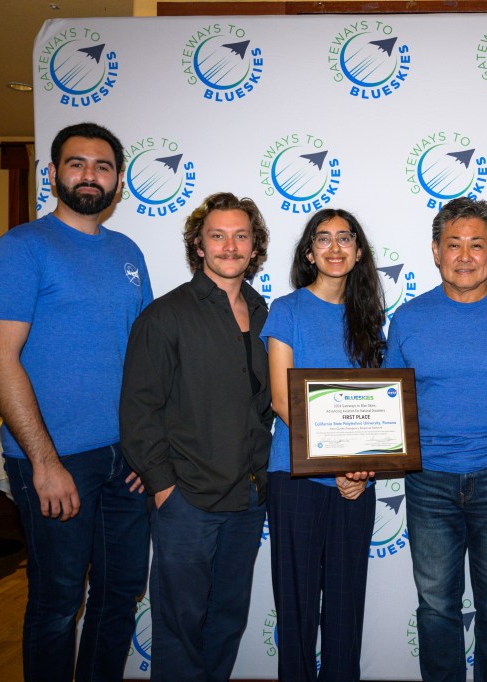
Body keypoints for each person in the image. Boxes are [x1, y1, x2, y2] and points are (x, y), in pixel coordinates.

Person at [0, 122, 151, 681]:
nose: (90, 175)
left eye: (103, 166)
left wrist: (146, 452)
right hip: (54, 460)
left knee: (118, 596)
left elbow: (143, 361)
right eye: (77, 164)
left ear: (118, 182)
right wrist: (45, 463)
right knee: (56, 606)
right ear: (53, 173)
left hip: (124, 460)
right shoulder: (21, 248)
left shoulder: (128, 253)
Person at [119, 192, 273, 681]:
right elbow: (139, 410)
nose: (231, 245)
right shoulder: (165, 316)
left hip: (249, 496)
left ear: (255, 246)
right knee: (179, 626)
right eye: (218, 235)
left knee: (226, 620)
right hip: (188, 500)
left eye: (241, 235)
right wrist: (163, 486)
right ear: (199, 245)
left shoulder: (264, 312)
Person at [384, 197, 487, 682]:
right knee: (435, 607)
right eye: (454, 245)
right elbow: (389, 403)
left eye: (477, 245)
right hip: (428, 479)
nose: (465, 256)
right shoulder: (408, 319)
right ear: (435, 251)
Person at [260, 208, 383, 682]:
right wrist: (334, 465)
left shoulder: (370, 319)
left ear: (357, 251)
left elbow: (377, 413)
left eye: (345, 239)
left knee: (346, 605)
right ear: (309, 252)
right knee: (296, 605)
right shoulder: (287, 311)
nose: (335, 248)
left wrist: (358, 472)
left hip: (355, 481)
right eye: (323, 240)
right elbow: (280, 398)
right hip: (298, 477)